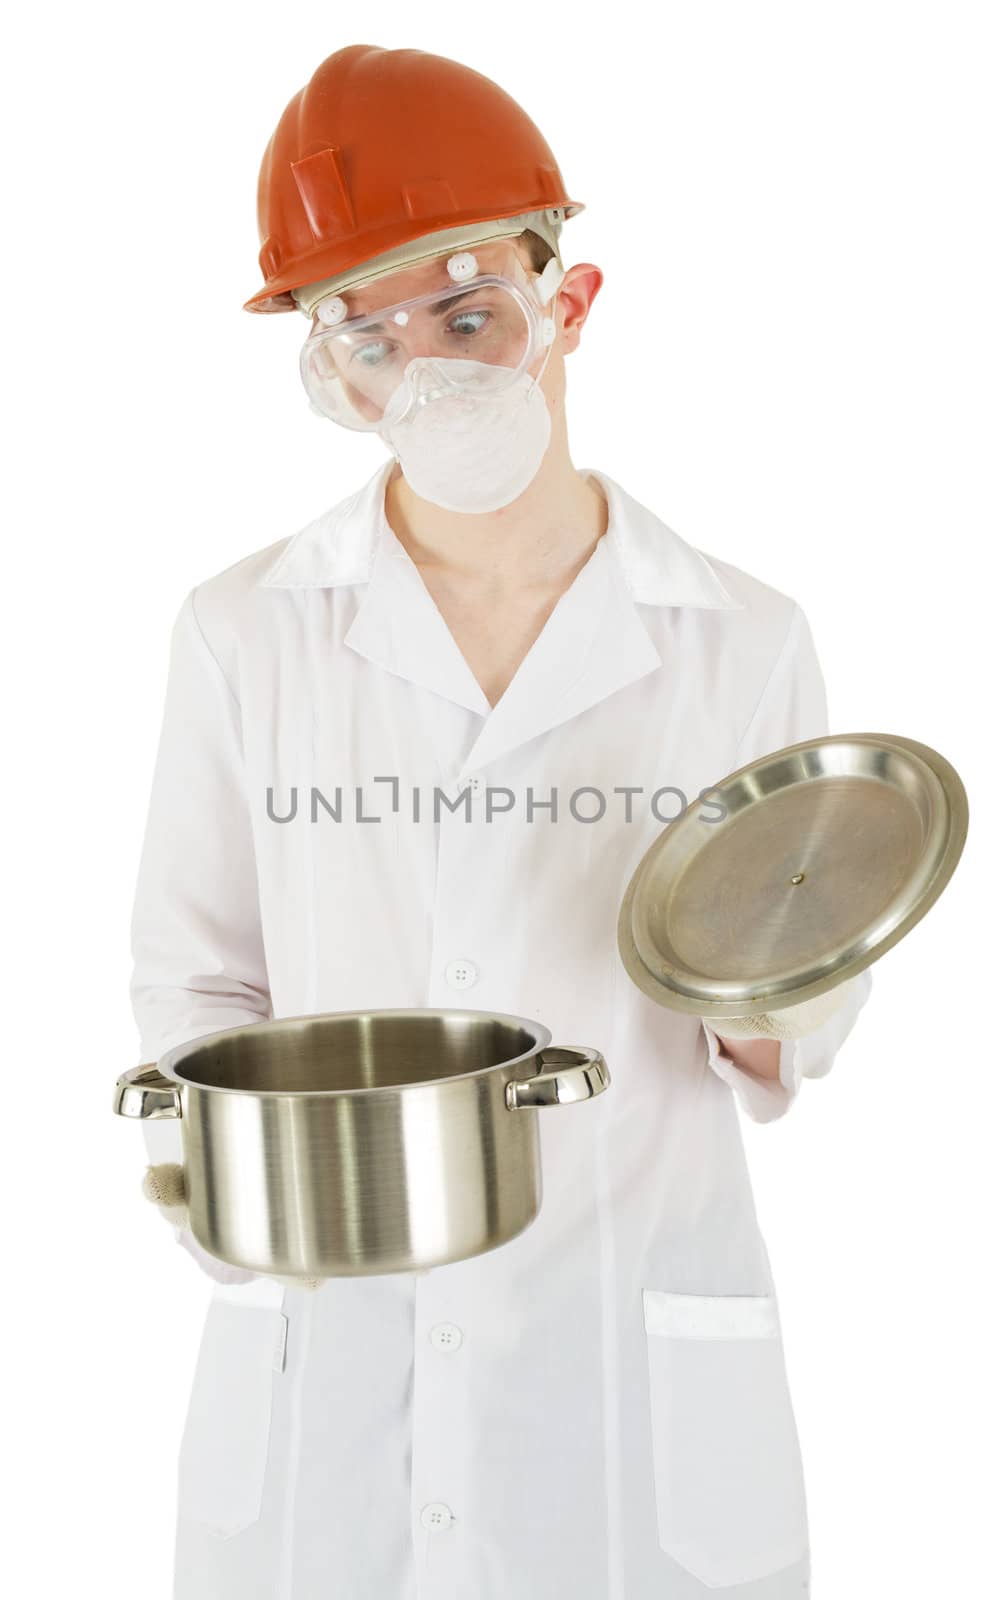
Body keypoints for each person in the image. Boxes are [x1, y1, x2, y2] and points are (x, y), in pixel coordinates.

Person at [130, 42, 872, 1600]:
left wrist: (765, 982)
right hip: (332, 1362)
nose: (429, 374)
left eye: (468, 312)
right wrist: (241, 1207)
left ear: (568, 306)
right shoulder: (243, 629)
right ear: (327, 370)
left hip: (622, 1361)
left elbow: (796, 1000)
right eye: (367, 337)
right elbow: (197, 987)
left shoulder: (736, 634)